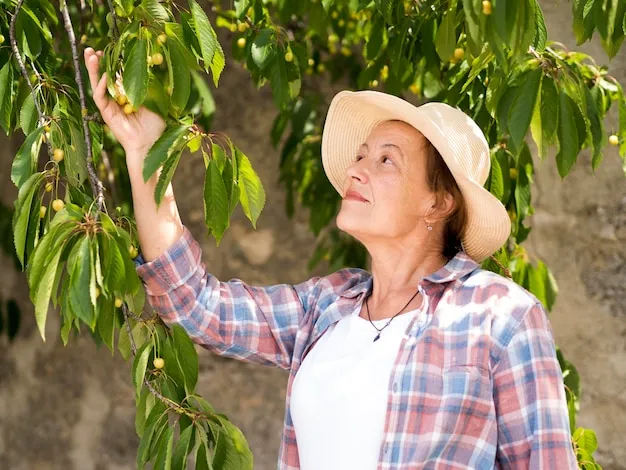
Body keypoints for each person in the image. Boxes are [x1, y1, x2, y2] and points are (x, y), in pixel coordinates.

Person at [84, 47, 578, 469]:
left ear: (438, 202)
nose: (358, 168)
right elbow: (195, 304)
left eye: (387, 159)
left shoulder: (502, 317)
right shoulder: (327, 306)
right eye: (361, 154)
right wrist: (143, 151)